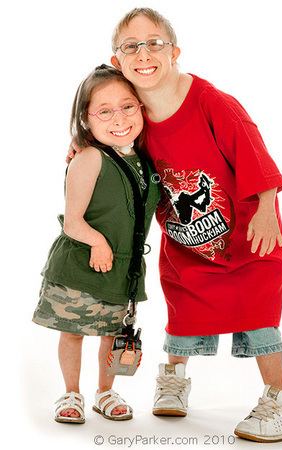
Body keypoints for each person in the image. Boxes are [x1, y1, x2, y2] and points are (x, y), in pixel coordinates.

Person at [68, 8, 282, 442]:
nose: (145, 53)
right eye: (131, 46)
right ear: (118, 61)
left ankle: (281, 400)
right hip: (186, 243)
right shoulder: (136, 120)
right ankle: (174, 378)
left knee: (258, 314)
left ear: (174, 51)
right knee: (184, 311)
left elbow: (254, 151)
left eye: (155, 43)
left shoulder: (211, 102)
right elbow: (109, 134)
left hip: (247, 236)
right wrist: (80, 147)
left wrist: (268, 205)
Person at [32, 64, 160, 423]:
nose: (118, 117)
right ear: (86, 119)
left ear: (141, 107)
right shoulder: (89, 158)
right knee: (74, 333)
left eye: (128, 106)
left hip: (123, 270)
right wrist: (98, 242)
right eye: (104, 111)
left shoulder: (145, 160)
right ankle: (70, 393)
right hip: (81, 267)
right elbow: (73, 221)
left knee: (112, 335)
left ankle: (105, 392)